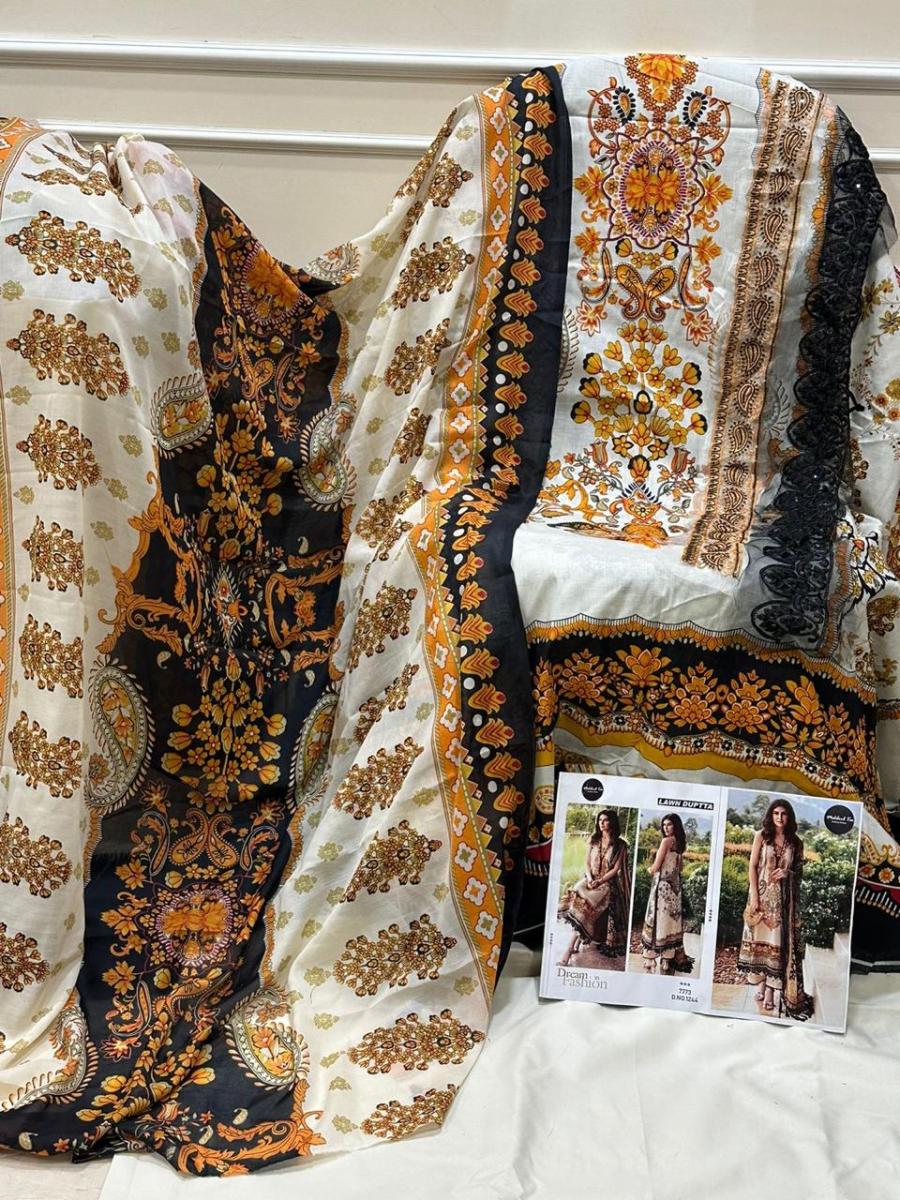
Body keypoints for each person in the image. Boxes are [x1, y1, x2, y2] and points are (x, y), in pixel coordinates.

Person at [737, 799, 815, 1020]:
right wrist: (754, 896)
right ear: (771, 816)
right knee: (759, 943)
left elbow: (799, 872)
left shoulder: (796, 842)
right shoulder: (761, 836)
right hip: (761, 898)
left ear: (790, 817)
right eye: (776, 813)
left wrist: (787, 873)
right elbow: (753, 866)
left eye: (784, 813)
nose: (780, 817)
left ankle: (771, 990)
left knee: (776, 944)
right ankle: (760, 985)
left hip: (783, 903)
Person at [558, 809, 631, 964]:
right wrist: (590, 878)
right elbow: (586, 863)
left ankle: (569, 950)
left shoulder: (620, 845)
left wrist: (599, 881)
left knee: (587, 908)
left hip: (606, 884)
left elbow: (615, 869)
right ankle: (575, 943)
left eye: (605, 820)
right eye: (600, 820)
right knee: (578, 889)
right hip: (590, 879)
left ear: (612, 822)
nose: (602, 823)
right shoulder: (594, 839)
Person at [640, 813, 695, 974]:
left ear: (675, 826)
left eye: (669, 824)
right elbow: (681, 868)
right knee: (671, 921)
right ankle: (666, 960)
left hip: (662, 887)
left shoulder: (666, 841)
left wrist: (649, 869)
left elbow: (656, 866)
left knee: (656, 920)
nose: (665, 828)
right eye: (664, 825)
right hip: (675, 889)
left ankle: (651, 958)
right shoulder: (680, 843)